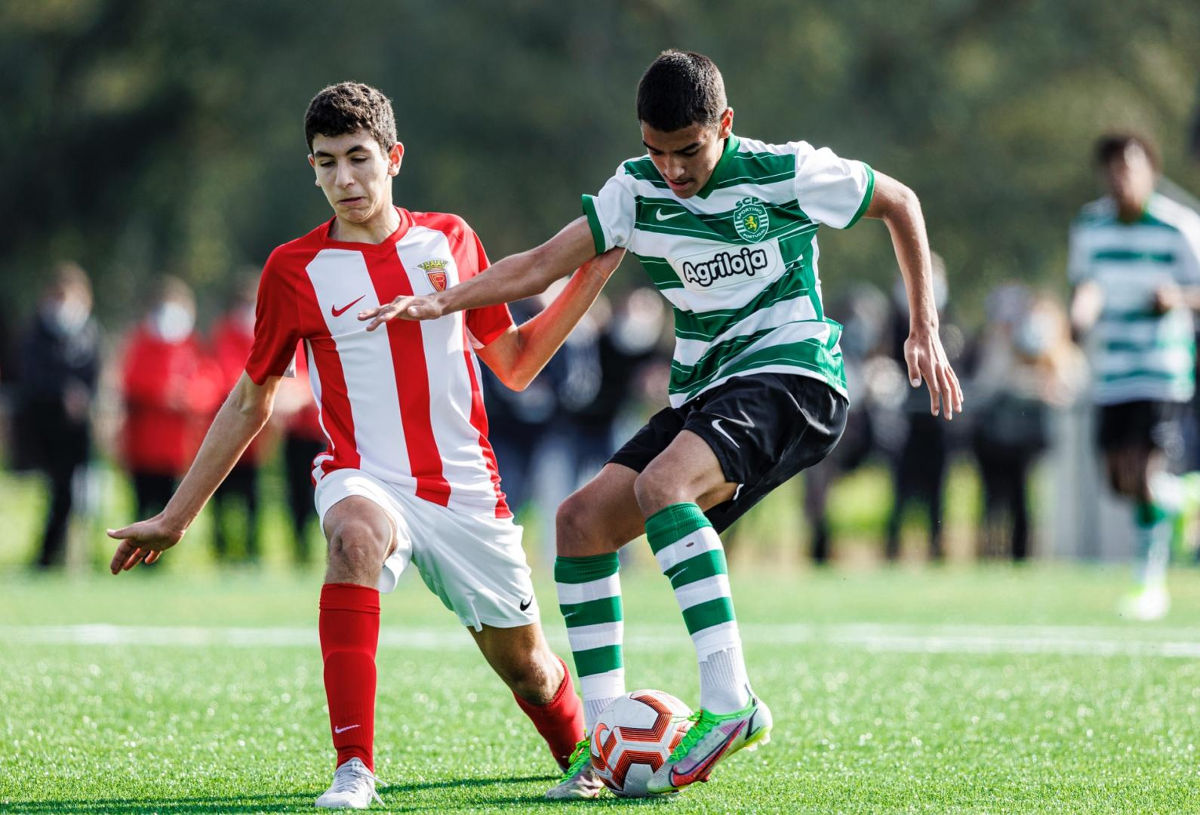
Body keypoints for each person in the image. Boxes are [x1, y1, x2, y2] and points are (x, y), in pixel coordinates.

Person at [362, 50, 963, 797]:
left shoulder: (785, 171)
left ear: (725, 125)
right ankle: (603, 747)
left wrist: (923, 328)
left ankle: (731, 700)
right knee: (579, 523)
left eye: (689, 151)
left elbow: (900, 201)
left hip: (794, 374)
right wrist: (443, 300)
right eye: (657, 151)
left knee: (663, 486)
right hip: (706, 391)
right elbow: (543, 263)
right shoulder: (635, 188)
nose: (673, 170)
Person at [107, 82, 624, 809]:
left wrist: (592, 274)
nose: (344, 178)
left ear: (394, 157)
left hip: (464, 489)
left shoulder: (450, 240)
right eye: (327, 163)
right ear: (312, 169)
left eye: (358, 158)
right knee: (353, 535)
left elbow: (514, 363)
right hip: (362, 474)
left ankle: (590, 756)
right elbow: (252, 398)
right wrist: (176, 515)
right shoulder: (293, 270)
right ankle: (354, 768)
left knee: (531, 669)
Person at [1068, 132, 1200, 620]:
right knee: (1118, 481)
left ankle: (1149, 584)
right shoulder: (1090, 225)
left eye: (1130, 168)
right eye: (1113, 169)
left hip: (1161, 369)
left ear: (1151, 171)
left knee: (1143, 476)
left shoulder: (1177, 225)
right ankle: (1182, 496)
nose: (1121, 178)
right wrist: (1080, 315)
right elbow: (1088, 285)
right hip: (1112, 370)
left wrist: (1177, 298)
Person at [969, 285, 1085, 560]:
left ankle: (1027, 554)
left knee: (1032, 504)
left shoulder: (1064, 353)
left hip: (1044, 446)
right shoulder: (1003, 347)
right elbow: (989, 385)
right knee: (999, 502)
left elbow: (1071, 387)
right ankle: (994, 553)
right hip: (1001, 442)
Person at [117, 277, 224, 527]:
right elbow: (130, 381)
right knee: (142, 506)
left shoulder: (193, 345)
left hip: (179, 447)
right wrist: (162, 393)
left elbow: (211, 385)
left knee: (170, 509)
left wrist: (187, 397)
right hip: (142, 445)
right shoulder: (141, 342)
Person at [15, 262, 101, 569]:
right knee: (59, 493)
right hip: (46, 428)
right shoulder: (35, 334)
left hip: (79, 431)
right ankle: (48, 556)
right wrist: (61, 394)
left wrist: (86, 398)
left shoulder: (90, 333)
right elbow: (30, 378)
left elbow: (96, 375)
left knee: (79, 495)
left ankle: (70, 557)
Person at [210, 274, 269, 563]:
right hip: (228, 430)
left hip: (256, 438)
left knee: (253, 496)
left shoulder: (266, 331)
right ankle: (221, 549)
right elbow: (222, 373)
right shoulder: (224, 334)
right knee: (220, 494)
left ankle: (252, 549)